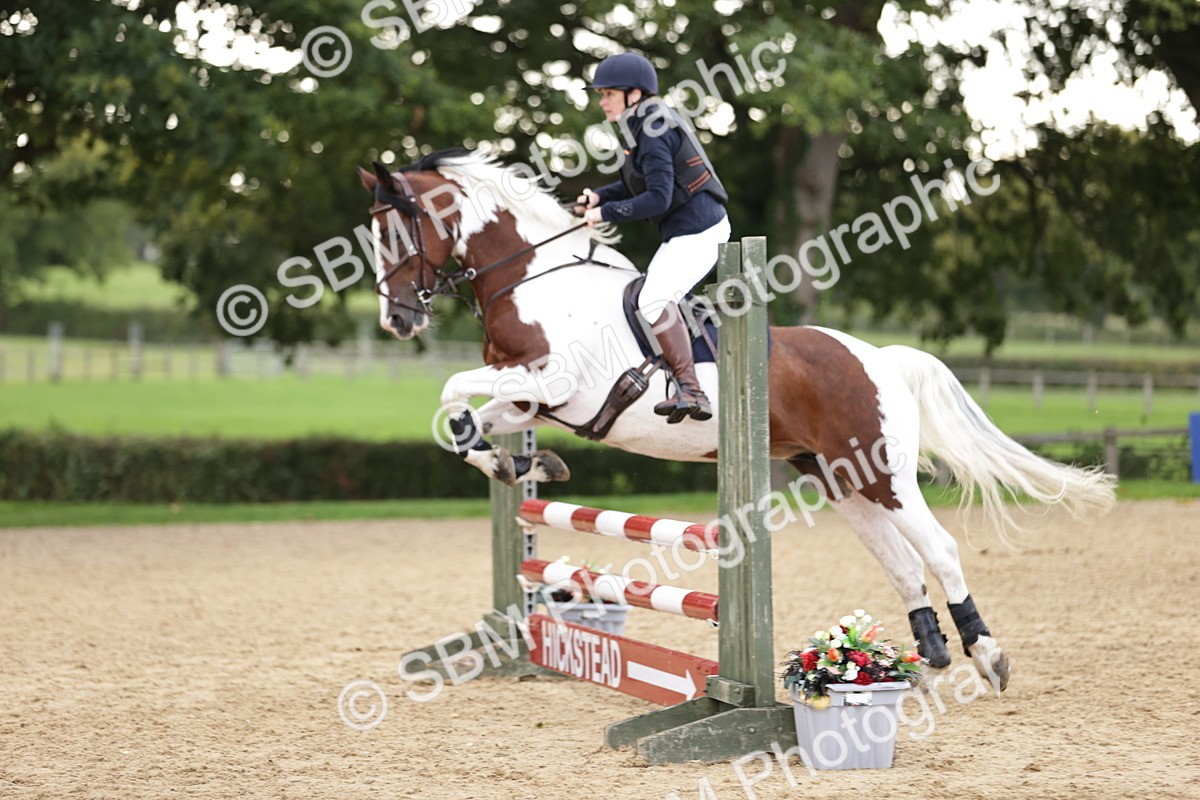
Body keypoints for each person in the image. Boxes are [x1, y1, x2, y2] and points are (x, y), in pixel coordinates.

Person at [576, 51, 731, 423]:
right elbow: (637, 182)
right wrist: (600, 195)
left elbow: (657, 198)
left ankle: (692, 390)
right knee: (649, 298)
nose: (602, 101)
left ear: (634, 93)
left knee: (654, 299)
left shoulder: (653, 127)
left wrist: (605, 214)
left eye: (608, 93)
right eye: (601, 94)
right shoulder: (642, 125)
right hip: (684, 232)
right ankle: (684, 382)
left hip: (701, 231)